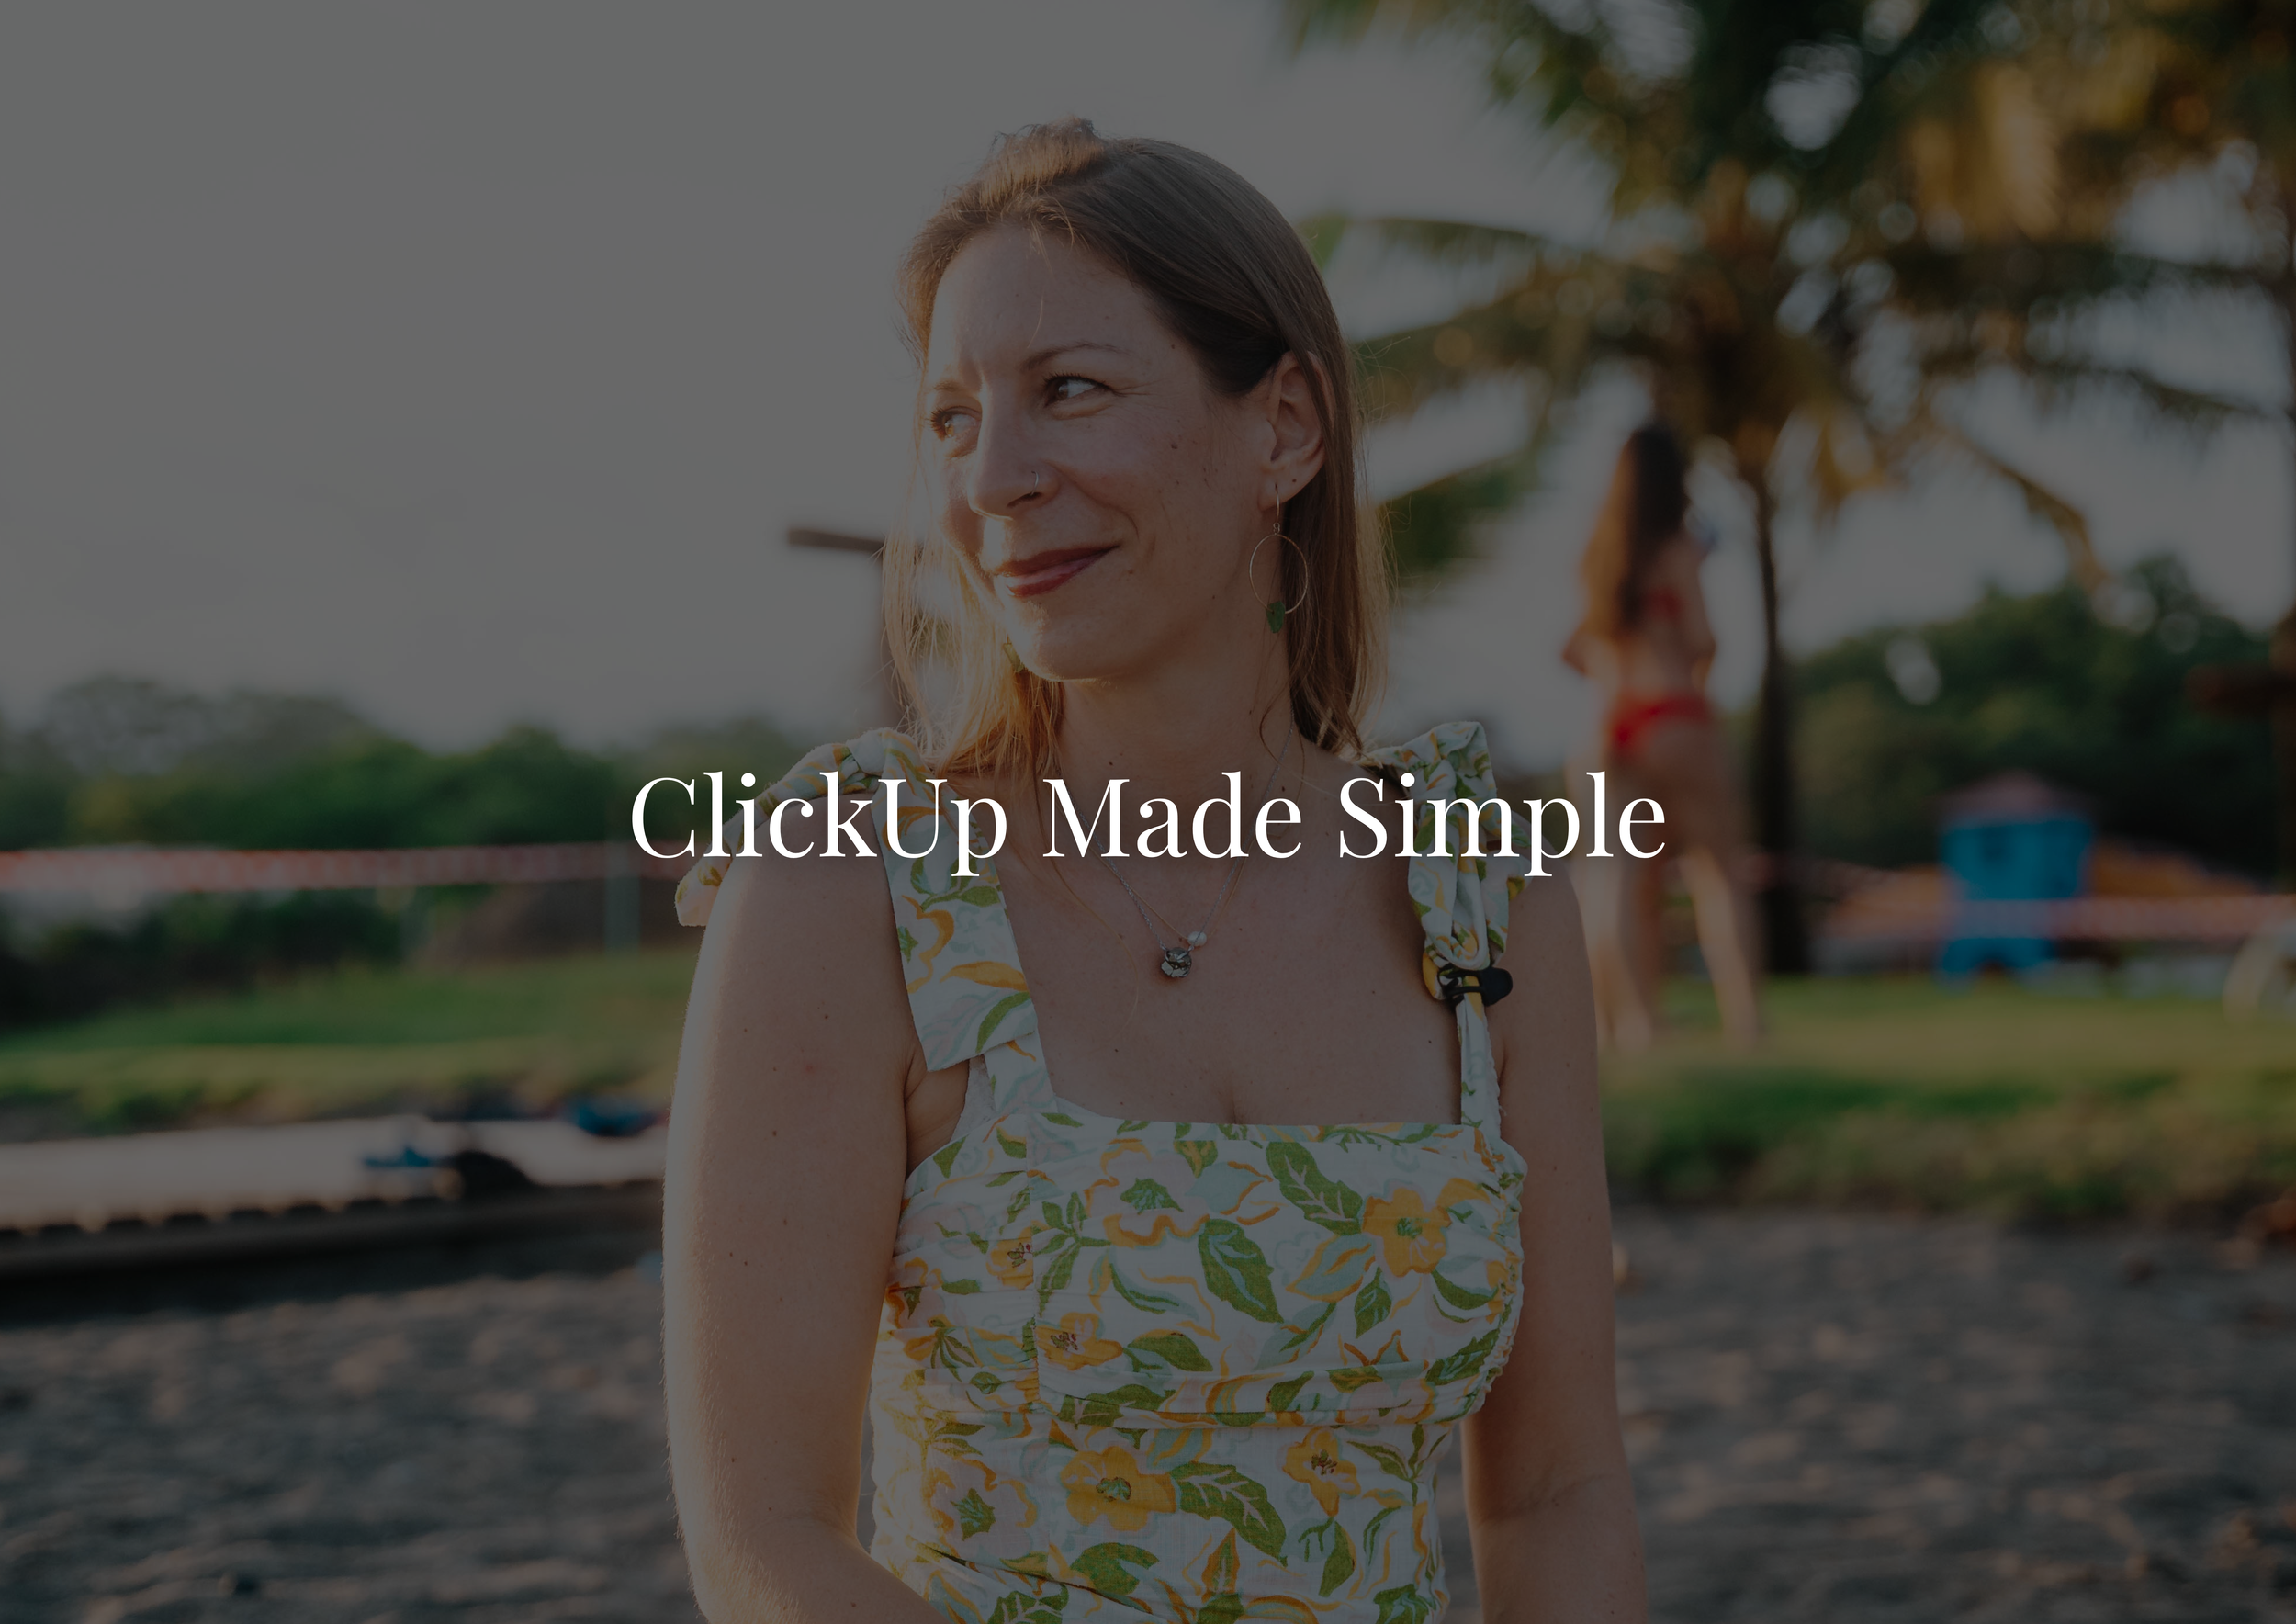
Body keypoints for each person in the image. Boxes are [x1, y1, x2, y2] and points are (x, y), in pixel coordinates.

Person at [662, 118, 1643, 1624]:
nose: (991, 478)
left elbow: (1556, 1489)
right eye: (948, 418)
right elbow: (766, 1539)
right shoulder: (849, 890)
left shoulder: (1482, 896)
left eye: (1071, 392)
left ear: (1287, 429)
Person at [1562, 425, 1761, 1051]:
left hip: (1608, 726)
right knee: (1716, 873)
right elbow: (1704, 640)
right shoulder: (1676, 549)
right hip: (1671, 712)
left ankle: (1630, 1025)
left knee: (1611, 879)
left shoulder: (1597, 556)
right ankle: (1748, 1023)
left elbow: (1574, 650)